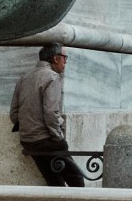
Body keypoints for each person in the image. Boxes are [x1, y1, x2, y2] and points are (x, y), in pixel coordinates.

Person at [11, 42, 85, 187]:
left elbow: (14, 113)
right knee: (76, 179)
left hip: (28, 141)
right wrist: (58, 137)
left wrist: (27, 128)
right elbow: (51, 112)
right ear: (56, 58)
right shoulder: (52, 77)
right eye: (65, 58)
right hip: (46, 141)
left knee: (54, 181)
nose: (65, 63)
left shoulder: (24, 78)